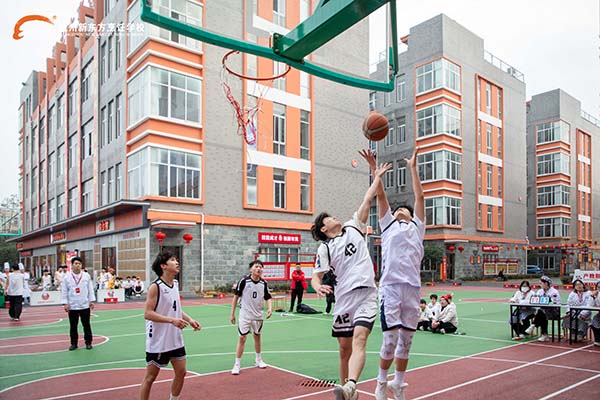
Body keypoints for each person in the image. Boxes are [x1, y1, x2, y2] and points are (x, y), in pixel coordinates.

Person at [310, 161, 384, 400]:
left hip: (366, 293)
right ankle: (347, 392)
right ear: (324, 228)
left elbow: (368, 198)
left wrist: (375, 173)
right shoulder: (325, 248)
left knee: (360, 338)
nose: (335, 217)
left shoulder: (354, 226)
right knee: (344, 349)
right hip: (344, 299)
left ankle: (351, 385)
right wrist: (318, 286)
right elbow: (315, 276)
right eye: (330, 218)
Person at [360, 147, 425, 400]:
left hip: (412, 289)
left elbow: (420, 197)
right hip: (391, 288)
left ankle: (398, 384)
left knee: (406, 341)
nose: (399, 210)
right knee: (390, 340)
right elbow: (381, 196)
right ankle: (380, 382)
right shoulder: (388, 226)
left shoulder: (417, 227)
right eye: (396, 209)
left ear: (411, 215)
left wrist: (413, 168)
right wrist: (374, 170)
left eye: (404, 209)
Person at [139, 251, 201, 400]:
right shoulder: (156, 287)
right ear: (163, 266)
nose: (177, 262)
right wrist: (172, 320)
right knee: (150, 377)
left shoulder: (175, 284)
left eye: (176, 260)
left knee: (181, 372)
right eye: (172, 260)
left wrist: (190, 320)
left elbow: (176, 308)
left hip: (175, 338)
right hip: (159, 340)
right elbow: (148, 313)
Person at [230, 259, 273, 375]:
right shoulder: (244, 281)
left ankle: (258, 359)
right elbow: (236, 297)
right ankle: (237, 364)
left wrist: (269, 308)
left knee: (257, 337)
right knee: (242, 338)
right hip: (245, 315)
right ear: (251, 269)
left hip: (257, 315)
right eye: (256, 266)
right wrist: (232, 314)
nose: (258, 269)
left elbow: (268, 297)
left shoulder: (263, 283)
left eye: (260, 267)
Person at [61, 257, 96, 350]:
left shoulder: (86, 276)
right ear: (72, 265)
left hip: (84, 305)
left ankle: (88, 342)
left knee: (86, 325)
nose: (78, 265)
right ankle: (74, 343)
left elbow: (90, 289)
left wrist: (91, 301)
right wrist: (65, 303)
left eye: (79, 264)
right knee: (73, 326)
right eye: (76, 263)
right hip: (73, 306)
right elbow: (64, 291)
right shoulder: (67, 277)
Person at [525, 275, 561, 342]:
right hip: (542, 312)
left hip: (554, 311)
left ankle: (533, 325)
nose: (540, 285)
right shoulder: (540, 291)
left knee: (541, 312)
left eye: (541, 283)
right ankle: (543, 334)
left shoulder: (554, 292)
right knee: (542, 313)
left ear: (546, 283)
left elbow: (554, 303)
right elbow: (536, 300)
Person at [588, 281, 600, 346]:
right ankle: (597, 339)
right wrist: (592, 296)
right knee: (594, 321)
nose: (599, 289)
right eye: (598, 287)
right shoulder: (597, 294)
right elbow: (590, 306)